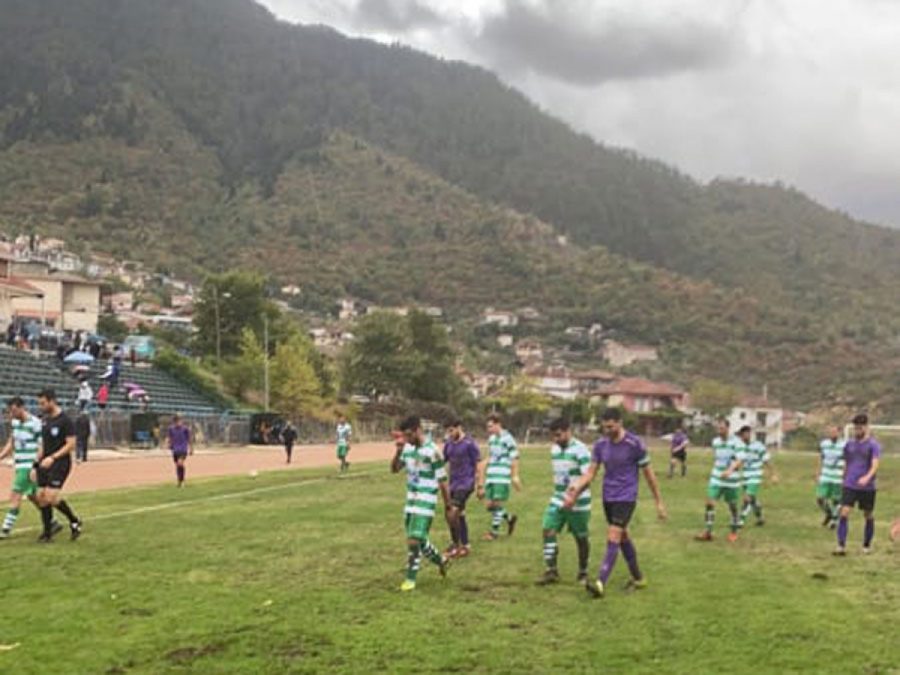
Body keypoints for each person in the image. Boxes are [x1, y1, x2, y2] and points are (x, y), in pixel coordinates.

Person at [565, 408, 666, 598]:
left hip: (626, 497)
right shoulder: (601, 445)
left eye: (611, 426)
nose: (607, 430)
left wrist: (659, 502)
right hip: (608, 497)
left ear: (620, 423)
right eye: (604, 427)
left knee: (613, 535)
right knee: (622, 536)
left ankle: (600, 582)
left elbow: (649, 475)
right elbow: (590, 473)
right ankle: (638, 578)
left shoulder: (635, 444)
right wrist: (576, 488)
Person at [390, 416, 451, 592]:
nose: (407, 439)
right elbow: (394, 469)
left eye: (409, 435)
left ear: (418, 430)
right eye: (404, 436)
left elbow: (443, 480)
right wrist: (398, 451)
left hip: (426, 499)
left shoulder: (433, 451)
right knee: (420, 539)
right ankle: (442, 560)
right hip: (411, 500)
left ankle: (410, 580)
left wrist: (448, 505)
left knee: (413, 539)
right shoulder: (407, 448)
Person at [536, 418, 593, 586]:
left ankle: (583, 572)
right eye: (553, 436)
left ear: (568, 431)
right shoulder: (554, 450)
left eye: (559, 435)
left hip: (579, 500)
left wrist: (574, 496)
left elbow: (587, 478)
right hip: (558, 497)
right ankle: (551, 570)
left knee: (580, 537)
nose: (556, 439)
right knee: (547, 529)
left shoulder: (581, 450)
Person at [32, 388, 82, 542]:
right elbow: (43, 445)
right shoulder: (45, 420)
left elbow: (71, 444)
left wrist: (53, 458)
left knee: (50, 497)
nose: (41, 407)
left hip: (60, 463)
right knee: (41, 498)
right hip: (45, 463)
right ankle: (47, 534)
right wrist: (35, 464)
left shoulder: (65, 420)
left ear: (52, 401)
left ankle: (74, 520)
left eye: (43, 403)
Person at [0, 397, 50, 539]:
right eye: (10, 411)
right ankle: (51, 521)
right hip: (19, 463)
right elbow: (12, 442)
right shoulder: (15, 422)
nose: (12, 414)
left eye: (14, 410)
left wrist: (35, 465)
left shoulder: (35, 423)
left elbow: (41, 446)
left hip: (28, 465)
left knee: (15, 495)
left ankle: (5, 529)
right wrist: (1, 456)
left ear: (22, 407)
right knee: (32, 496)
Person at [834, 414, 880, 556]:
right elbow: (847, 463)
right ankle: (841, 545)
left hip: (867, 487)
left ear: (866, 427)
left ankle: (866, 545)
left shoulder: (873, 445)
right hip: (850, 484)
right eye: (855, 428)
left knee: (868, 514)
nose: (857, 431)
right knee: (844, 511)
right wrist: (843, 478)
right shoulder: (849, 445)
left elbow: (875, 465)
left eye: (860, 428)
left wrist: (867, 477)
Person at [696, 418, 743, 543]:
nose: (719, 430)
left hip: (731, 479)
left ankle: (733, 531)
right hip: (716, 477)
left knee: (732, 505)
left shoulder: (737, 442)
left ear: (728, 428)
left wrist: (729, 470)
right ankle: (708, 531)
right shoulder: (715, 442)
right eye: (718, 428)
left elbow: (739, 460)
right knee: (709, 502)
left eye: (721, 428)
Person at [477, 414, 521, 541]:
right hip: (491, 475)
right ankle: (510, 518)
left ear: (498, 424)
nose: (489, 429)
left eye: (490, 426)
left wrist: (515, 475)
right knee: (490, 505)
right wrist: (482, 467)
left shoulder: (508, 439)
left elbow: (515, 457)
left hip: (502, 476)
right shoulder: (491, 439)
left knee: (496, 503)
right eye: (487, 427)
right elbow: (491, 456)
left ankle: (494, 533)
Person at [442, 419, 481, 559]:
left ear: (459, 427)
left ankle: (458, 545)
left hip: (466, 483)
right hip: (453, 484)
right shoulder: (448, 444)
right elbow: (443, 460)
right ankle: (463, 544)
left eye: (451, 430)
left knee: (452, 513)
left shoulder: (469, 444)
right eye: (447, 431)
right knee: (457, 514)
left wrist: (479, 485)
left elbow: (478, 463)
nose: (449, 434)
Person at [736, 426, 778, 527]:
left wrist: (773, 474)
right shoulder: (739, 447)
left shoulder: (758, 446)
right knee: (753, 500)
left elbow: (767, 460)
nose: (743, 437)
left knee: (747, 498)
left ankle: (740, 520)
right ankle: (760, 518)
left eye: (746, 434)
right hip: (745, 475)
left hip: (755, 475)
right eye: (741, 435)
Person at [816, 425, 845, 528]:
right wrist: (818, 473)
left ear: (839, 432)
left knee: (836, 499)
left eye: (834, 432)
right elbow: (821, 458)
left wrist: (845, 476)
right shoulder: (824, 444)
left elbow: (848, 461)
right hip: (825, 475)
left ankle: (834, 519)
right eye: (830, 432)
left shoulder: (844, 445)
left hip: (838, 476)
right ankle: (829, 513)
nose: (832, 434)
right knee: (820, 498)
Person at [167, 414, 193, 487]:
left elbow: (189, 439)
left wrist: (191, 448)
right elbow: (170, 437)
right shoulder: (171, 429)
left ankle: (183, 481)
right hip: (175, 449)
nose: (178, 423)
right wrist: (169, 443)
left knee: (180, 463)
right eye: (176, 422)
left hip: (183, 449)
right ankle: (179, 481)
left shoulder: (185, 429)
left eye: (179, 421)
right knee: (178, 465)